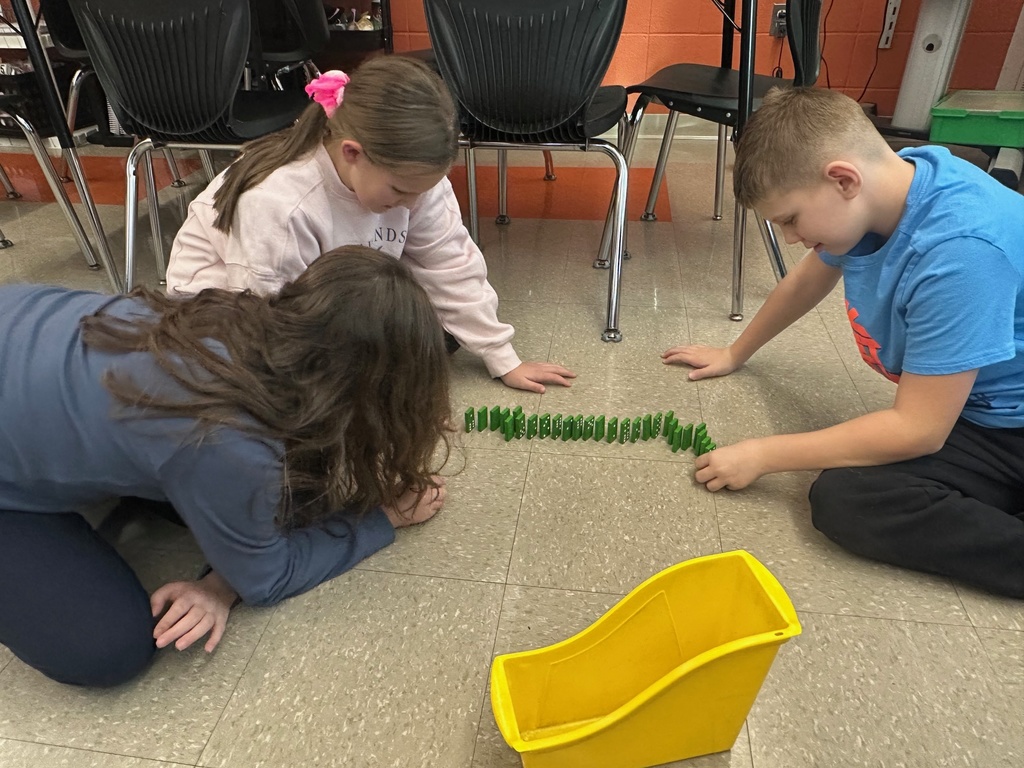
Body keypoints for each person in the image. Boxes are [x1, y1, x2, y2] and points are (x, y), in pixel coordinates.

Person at [0, 246, 453, 687]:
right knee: (107, 648)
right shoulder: (230, 441)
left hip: (17, 318)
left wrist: (224, 573)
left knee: (291, 496)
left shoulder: (235, 313)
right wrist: (384, 518)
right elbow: (269, 578)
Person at [663, 87, 1024, 598]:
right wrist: (733, 353)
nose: (790, 238)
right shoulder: (886, 191)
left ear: (843, 179)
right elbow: (807, 281)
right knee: (849, 494)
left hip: (1007, 429)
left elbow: (918, 430)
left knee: (850, 496)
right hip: (976, 413)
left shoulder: (960, 254)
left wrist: (763, 454)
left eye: (790, 219)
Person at [165, 56, 574, 394]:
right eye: (399, 191)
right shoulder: (280, 205)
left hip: (321, 299)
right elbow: (264, 322)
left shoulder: (413, 176)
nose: (411, 205)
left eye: (420, 192)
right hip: (229, 317)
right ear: (352, 153)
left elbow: (449, 261)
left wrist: (502, 358)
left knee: (421, 333)